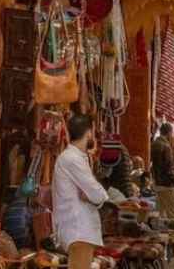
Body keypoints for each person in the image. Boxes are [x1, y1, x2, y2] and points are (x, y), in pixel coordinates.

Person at [52, 114, 109, 269]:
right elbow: (98, 193)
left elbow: (94, 194)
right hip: (78, 229)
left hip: (78, 230)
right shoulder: (72, 159)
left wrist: (92, 196)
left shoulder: (75, 157)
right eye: (94, 131)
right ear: (88, 132)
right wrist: (95, 196)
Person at [151, 123, 174, 225]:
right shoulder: (165, 146)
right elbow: (169, 168)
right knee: (173, 214)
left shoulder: (155, 144)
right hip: (167, 185)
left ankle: (162, 238)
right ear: (168, 132)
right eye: (172, 132)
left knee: (160, 213)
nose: (173, 135)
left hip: (158, 184)